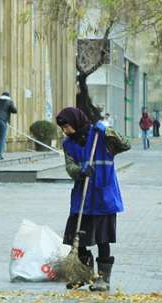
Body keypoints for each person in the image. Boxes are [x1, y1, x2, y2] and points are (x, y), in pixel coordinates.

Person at [56, 107, 130, 292]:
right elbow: (69, 166)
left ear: (76, 122)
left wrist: (107, 130)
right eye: (63, 128)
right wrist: (79, 171)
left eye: (67, 126)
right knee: (77, 238)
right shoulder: (68, 144)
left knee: (103, 239)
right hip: (82, 197)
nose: (66, 131)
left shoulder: (100, 137)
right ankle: (83, 275)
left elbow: (125, 144)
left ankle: (103, 279)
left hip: (103, 196)